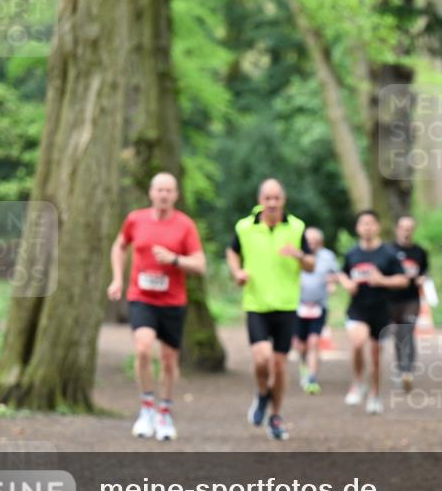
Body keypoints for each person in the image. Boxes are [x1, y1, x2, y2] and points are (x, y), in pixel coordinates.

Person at [107, 172, 207, 442]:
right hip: (141, 296)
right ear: (151, 193)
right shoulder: (135, 219)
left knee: (168, 360)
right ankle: (147, 407)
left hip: (173, 301)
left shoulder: (185, 225)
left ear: (175, 195)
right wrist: (117, 278)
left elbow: (200, 264)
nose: (163, 195)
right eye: (159, 190)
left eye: (169, 191)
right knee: (142, 348)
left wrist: (175, 259)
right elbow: (119, 246)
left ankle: (165, 411)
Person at [226, 178, 315, 440]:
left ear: (283, 200)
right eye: (268, 198)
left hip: (286, 305)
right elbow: (232, 252)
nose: (273, 203)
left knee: (279, 365)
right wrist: (237, 272)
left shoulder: (297, 227)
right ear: (260, 200)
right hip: (256, 303)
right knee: (261, 359)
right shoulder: (245, 227)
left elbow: (311, 264)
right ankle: (262, 392)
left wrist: (299, 255)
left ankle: (275, 416)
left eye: (277, 198)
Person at [338, 210, 408, 414]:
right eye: (363, 224)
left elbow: (403, 280)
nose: (367, 227)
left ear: (377, 227)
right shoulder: (352, 254)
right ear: (358, 228)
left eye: (371, 223)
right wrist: (347, 283)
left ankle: (375, 394)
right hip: (358, 309)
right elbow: (342, 273)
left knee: (376, 356)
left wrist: (382, 281)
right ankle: (358, 382)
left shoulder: (388, 253)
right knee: (358, 343)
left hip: (381, 310)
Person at [292, 227, 340, 395]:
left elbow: (336, 275)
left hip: (319, 305)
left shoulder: (328, 256)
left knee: (314, 341)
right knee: (301, 344)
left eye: (315, 240)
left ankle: (312, 377)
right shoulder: (297, 255)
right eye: (309, 240)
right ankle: (304, 364)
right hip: (298, 306)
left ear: (320, 241)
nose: (311, 243)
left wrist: (332, 282)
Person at [388, 216, 429, 392]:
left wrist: (422, 279)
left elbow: (425, 271)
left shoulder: (420, 252)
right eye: (403, 227)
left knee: (408, 331)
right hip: (392, 299)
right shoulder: (388, 251)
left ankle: (408, 372)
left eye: (410, 228)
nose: (406, 231)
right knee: (397, 334)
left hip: (411, 299)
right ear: (397, 229)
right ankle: (400, 369)